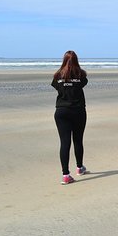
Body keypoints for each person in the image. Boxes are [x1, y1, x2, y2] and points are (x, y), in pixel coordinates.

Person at [51, 50, 88, 185]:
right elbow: (82, 83)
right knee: (78, 140)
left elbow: (57, 87)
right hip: (78, 111)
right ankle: (79, 168)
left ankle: (65, 174)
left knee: (65, 142)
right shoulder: (81, 75)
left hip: (61, 111)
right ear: (77, 61)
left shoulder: (57, 75)